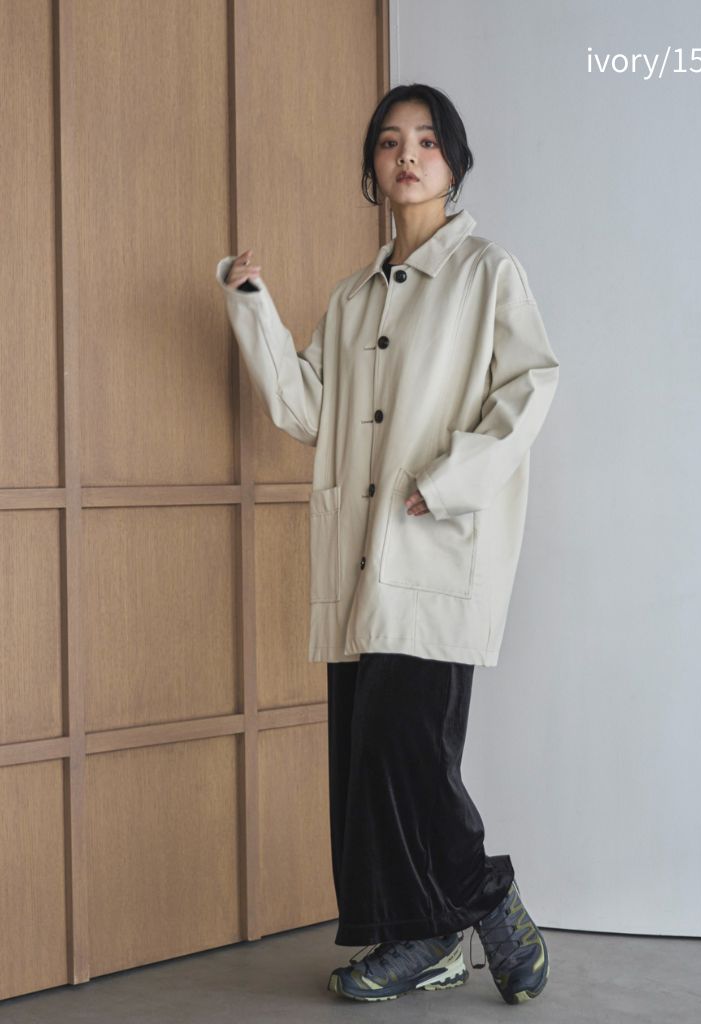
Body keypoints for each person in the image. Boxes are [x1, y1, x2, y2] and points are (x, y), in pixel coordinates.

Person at [216, 83, 558, 1005]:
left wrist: (447, 483)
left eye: (427, 141)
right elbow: (305, 409)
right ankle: (426, 942)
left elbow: (530, 388)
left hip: (434, 548)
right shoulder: (352, 298)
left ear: (454, 162)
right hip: (361, 558)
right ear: (372, 166)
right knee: (370, 760)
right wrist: (251, 303)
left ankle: (488, 901)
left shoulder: (486, 273)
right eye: (390, 142)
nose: (408, 155)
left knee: (411, 755)